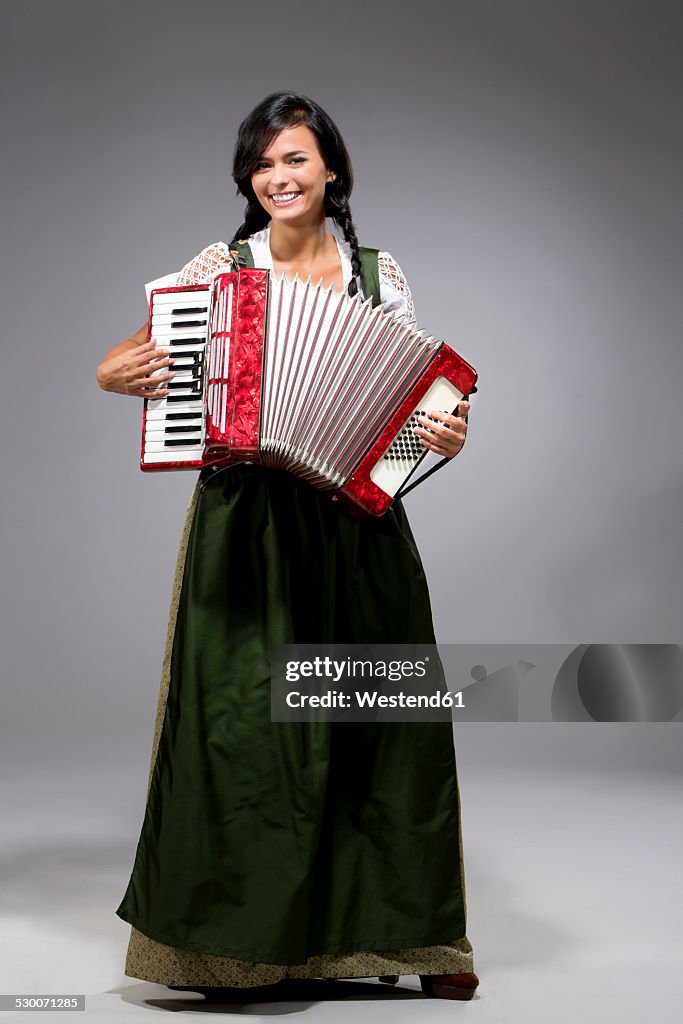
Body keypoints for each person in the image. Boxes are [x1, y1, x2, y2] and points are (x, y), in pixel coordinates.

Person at [97, 92, 478, 1003]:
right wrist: (113, 371)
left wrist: (441, 434)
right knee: (243, 732)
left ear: (331, 170)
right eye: (263, 165)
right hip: (247, 522)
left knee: (382, 727)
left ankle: (414, 938)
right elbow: (132, 355)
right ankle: (236, 949)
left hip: (355, 522)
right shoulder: (218, 269)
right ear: (249, 179)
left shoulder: (379, 277)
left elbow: (418, 407)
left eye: (296, 160)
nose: (279, 179)